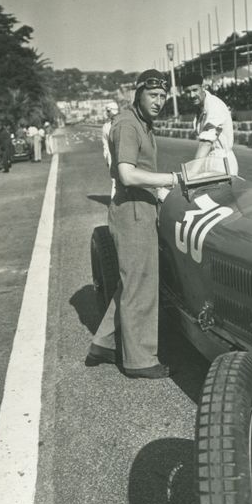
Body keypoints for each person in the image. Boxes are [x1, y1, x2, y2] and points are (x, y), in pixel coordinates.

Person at [85, 69, 179, 379]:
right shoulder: (127, 125)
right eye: (153, 95)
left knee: (131, 281)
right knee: (142, 284)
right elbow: (126, 174)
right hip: (133, 210)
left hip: (139, 207)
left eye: (163, 96)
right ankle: (140, 361)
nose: (159, 101)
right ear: (137, 95)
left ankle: (103, 344)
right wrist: (172, 180)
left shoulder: (140, 123)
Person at [181, 72, 238, 175]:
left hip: (222, 163)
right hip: (209, 161)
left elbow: (206, 143)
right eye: (187, 92)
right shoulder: (201, 109)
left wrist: (192, 172)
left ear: (203, 87)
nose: (192, 95)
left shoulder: (214, 105)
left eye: (195, 90)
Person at [102, 101, 119, 197]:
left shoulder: (107, 126)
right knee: (115, 180)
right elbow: (106, 145)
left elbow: (105, 146)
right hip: (114, 157)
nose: (107, 113)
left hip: (119, 156)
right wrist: (108, 158)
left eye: (108, 111)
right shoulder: (106, 126)